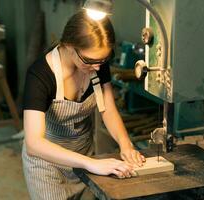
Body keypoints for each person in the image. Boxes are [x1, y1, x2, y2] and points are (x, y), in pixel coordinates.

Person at [22, 10, 145, 200]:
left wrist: (125, 144)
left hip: (84, 154)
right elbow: (34, 143)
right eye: (90, 61)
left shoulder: (97, 62)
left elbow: (108, 109)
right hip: (47, 164)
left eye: (104, 60)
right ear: (69, 46)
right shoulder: (40, 75)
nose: (98, 67)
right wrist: (91, 164)